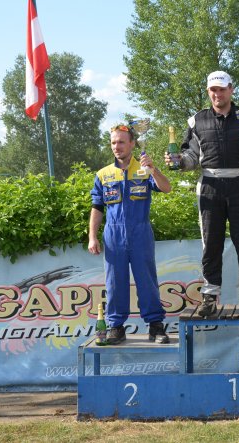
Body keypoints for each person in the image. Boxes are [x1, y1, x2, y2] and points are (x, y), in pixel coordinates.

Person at [165, 70, 239, 317]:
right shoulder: (196, 120)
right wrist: (178, 161)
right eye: (213, 90)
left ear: (231, 89)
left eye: (222, 89)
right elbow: (191, 157)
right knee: (210, 242)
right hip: (209, 184)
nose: (217, 94)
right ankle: (210, 295)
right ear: (208, 91)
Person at [88, 124, 172, 345]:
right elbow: (97, 207)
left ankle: (155, 326)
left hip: (140, 232)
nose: (117, 146)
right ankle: (116, 327)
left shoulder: (144, 169)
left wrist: (153, 169)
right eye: (113, 142)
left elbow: (166, 188)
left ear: (132, 144)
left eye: (121, 142)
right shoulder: (103, 174)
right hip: (113, 234)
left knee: (147, 280)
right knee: (114, 283)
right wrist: (92, 236)